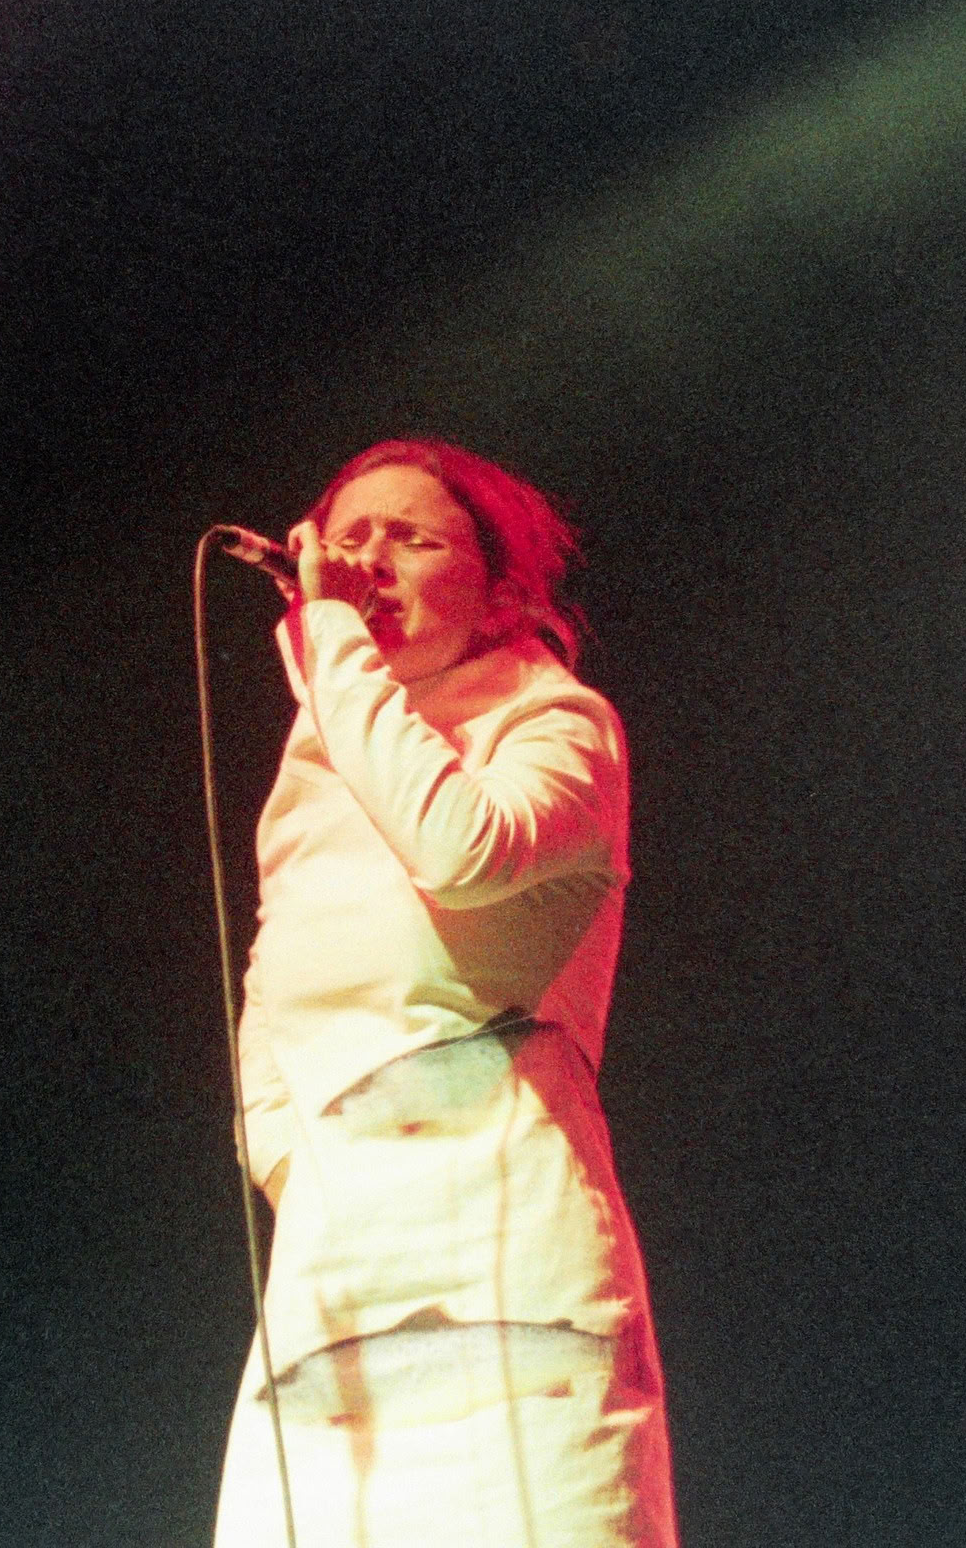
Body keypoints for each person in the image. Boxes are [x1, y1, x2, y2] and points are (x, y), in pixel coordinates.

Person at [213, 439, 677, 1547]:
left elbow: (463, 848)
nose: (367, 562)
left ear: (502, 588)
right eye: (349, 537)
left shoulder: (559, 724)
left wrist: (331, 640)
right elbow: (275, 990)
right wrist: (306, 1157)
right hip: (340, 1243)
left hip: (502, 1218)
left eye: (410, 537)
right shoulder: (318, 759)